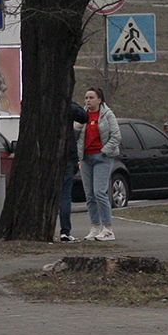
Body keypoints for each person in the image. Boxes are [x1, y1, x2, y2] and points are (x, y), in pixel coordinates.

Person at [77, 86, 122, 241]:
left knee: (99, 192)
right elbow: (75, 135)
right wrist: (77, 128)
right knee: (89, 194)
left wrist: (104, 150)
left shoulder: (107, 115)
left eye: (91, 97)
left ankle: (108, 228)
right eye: (86, 98)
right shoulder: (82, 115)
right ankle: (95, 227)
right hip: (86, 158)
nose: (88, 101)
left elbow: (116, 135)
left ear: (99, 99)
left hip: (102, 158)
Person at [57, 99, 87, 242]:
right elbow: (83, 117)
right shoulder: (67, 106)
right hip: (66, 156)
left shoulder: (41, 105)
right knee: (65, 196)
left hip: (46, 158)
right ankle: (65, 231)